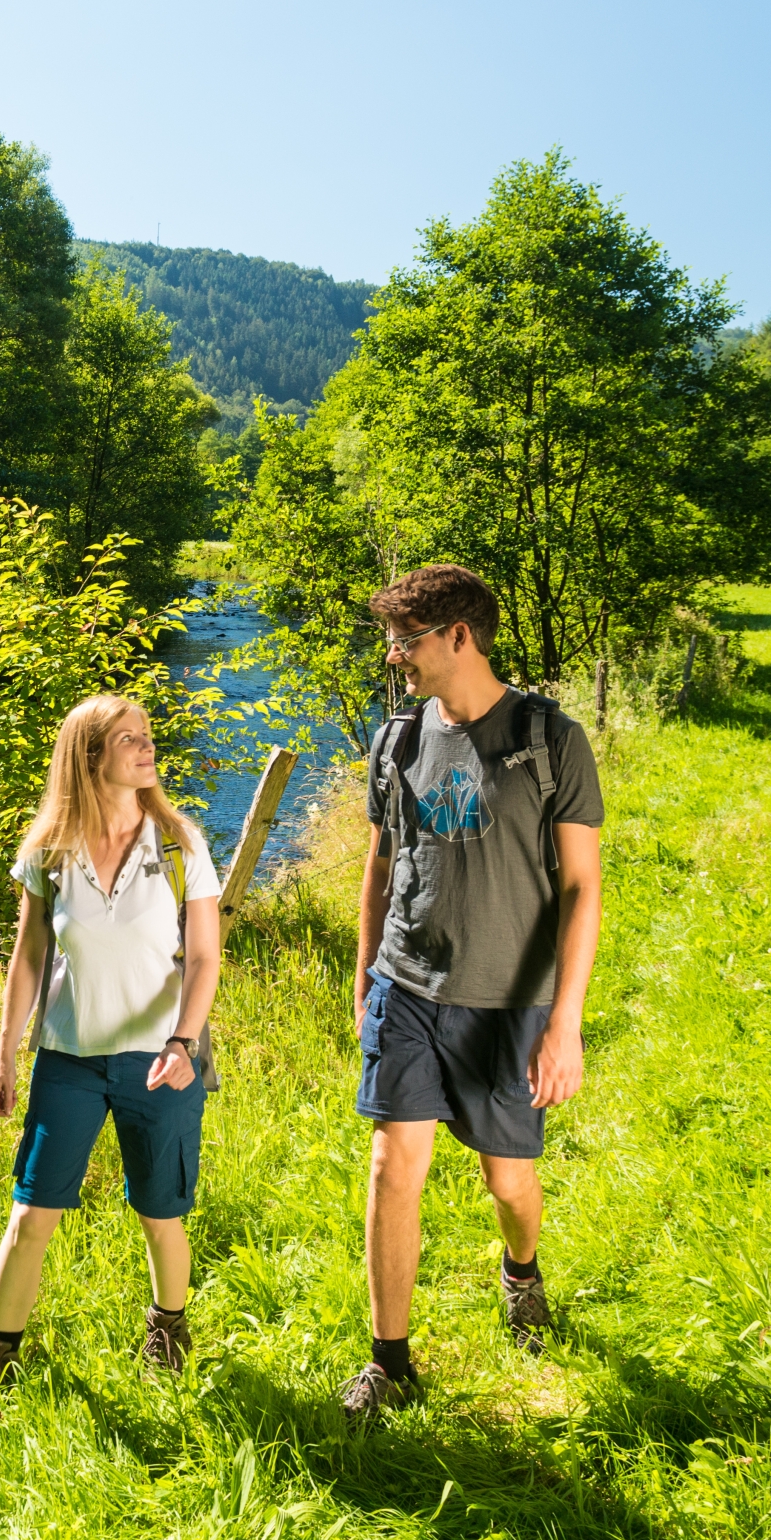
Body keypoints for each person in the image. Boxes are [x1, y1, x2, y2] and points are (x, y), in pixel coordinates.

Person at [340, 564, 603, 1421]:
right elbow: (380, 864)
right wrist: (363, 977)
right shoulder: (395, 741)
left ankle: (520, 1270)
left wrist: (564, 1024)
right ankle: (389, 1363)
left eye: (404, 640)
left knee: (508, 1183)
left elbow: (580, 887)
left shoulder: (545, 735)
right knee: (391, 1165)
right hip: (406, 983)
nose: (393, 657)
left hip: (507, 999)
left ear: (458, 636)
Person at [0, 693, 223, 1408]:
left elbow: (204, 961)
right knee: (31, 1213)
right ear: (88, 755)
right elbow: (28, 956)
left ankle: (168, 1327)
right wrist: (4, 1055)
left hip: (161, 1061)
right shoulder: (48, 851)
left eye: (146, 735)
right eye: (127, 739)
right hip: (66, 1060)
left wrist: (185, 1043)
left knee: (160, 1213)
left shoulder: (181, 843)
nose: (145, 747)